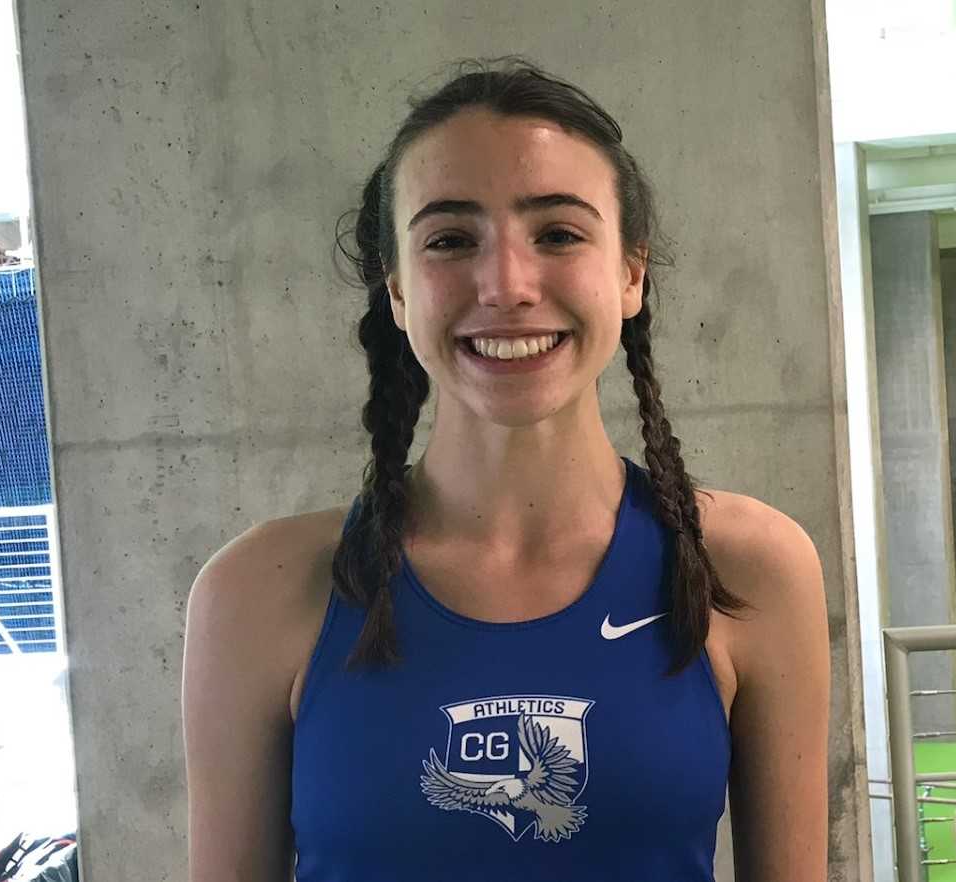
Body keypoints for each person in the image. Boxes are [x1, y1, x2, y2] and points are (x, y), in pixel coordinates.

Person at [182, 57, 830, 882]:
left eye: (557, 233)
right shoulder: (259, 592)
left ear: (630, 273)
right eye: (450, 240)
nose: (506, 285)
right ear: (397, 292)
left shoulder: (745, 568)